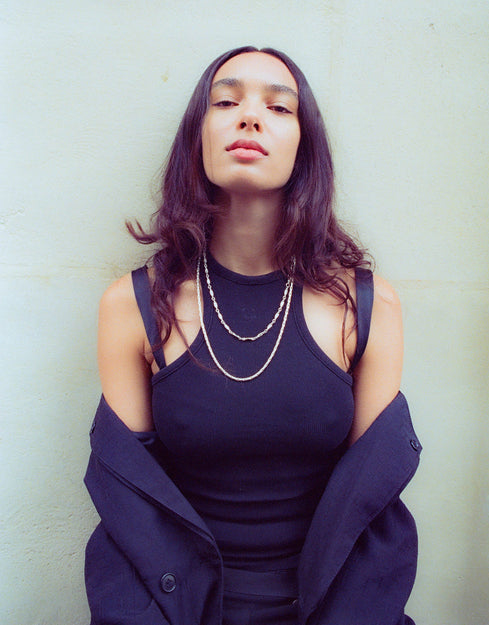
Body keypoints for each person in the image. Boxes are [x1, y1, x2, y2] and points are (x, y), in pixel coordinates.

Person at [84, 46, 421, 625]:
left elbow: (374, 514)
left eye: (279, 107)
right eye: (226, 100)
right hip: (179, 610)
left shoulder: (366, 306)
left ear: (303, 147)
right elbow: (129, 513)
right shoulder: (133, 307)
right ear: (199, 136)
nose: (250, 116)